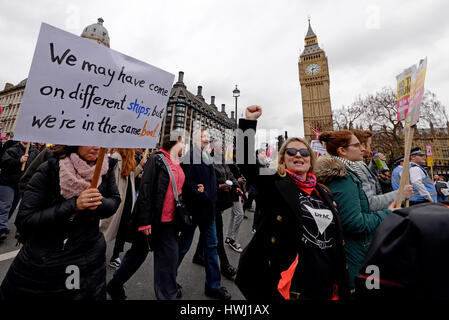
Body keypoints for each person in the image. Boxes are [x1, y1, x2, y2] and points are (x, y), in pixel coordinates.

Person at [235, 105, 349, 300]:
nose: (298, 155)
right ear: (283, 159)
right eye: (291, 152)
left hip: (323, 280)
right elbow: (244, 160)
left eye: (304, 153)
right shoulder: (274, 184)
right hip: (288, 282)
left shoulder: (323, 192)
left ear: (310, 160)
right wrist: (249, 122)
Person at [0, 145, 121, 300]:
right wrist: (74, 205)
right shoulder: (51, 166)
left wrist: (98, 203)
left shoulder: (105, 167)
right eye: (90, 141)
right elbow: (26, 219)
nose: (97, 147)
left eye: (101, 142)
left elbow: (114, 200)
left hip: (88, 257)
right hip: (47, 260)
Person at [106, 134, 187, 300]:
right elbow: (145, 192)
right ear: (173, 143)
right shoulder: (156, 160)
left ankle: (167, 294)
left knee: (168, 263)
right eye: (182, 143)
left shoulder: (177, 162)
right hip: (151, 221)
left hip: (170, 223)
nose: (184, 146)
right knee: (136, 256)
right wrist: (144, 222)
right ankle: (115, 284)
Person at [314, 130, 397, 292]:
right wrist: (389, 213)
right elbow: (354, 222)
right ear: (342, 151)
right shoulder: (343, 178)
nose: (362, 148)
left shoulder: (350, 172)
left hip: (357, 250)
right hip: (355, 255)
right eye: (357, 145)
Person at [177, 129, 232, 300]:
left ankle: (213, 286)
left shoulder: (207, 156)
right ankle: (168, 279)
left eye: (207, 137)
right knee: (183, 247)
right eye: (203, 137)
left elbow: (211, 181)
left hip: (209, 210)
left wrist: (216, 191)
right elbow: (187, 182)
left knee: (212, 246)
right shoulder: (189, 157)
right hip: (194, 209)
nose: (206, 140)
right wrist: (200, 192)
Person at [191, 141, 242, 279]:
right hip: (210, 201)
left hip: (221, 201)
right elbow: (206, 181)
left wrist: (236, 186)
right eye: (219, 147)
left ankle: (198, 255)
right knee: (217, 232)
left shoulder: (223, 161)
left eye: (223, 147)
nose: (222, 149)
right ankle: (225, 265)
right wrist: (219, 186)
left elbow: (230, 175)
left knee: (209, 228)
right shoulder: (208, 160)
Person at [100, 148, 146, 268]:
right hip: (118, 197)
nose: (139, 148)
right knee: (106, 227)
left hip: (127, 198)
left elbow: (131, 176)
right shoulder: (115, 157)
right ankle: (97, 253)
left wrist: (140, 166)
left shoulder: (130, 159)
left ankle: (115, 256)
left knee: (123, 228)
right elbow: (109, 178)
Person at [352, 129, 413, 210]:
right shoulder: (355, 166)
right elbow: (370, 203)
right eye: (370, 144)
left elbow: (370, 179)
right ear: (363, 145)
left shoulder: (359, 163)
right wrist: (401, 194)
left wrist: (374, 164)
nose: (371, 148)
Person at [0, 141, 39, 240]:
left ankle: (3, 224)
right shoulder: (12, 149)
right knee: (5, 205)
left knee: (13, 207)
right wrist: (19, 161)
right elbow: (4, 163)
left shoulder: (35, 152)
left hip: (22, 184)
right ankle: (1, 228)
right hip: (8, 182)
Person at [226, 156, 246, 253]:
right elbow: (228, 175)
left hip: (237, 191)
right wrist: (237, 182)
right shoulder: (229, 162)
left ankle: (229, 237)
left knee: (234, 215)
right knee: (239, 214)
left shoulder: (235, 162)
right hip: (233, 191)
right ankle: (232, 239)